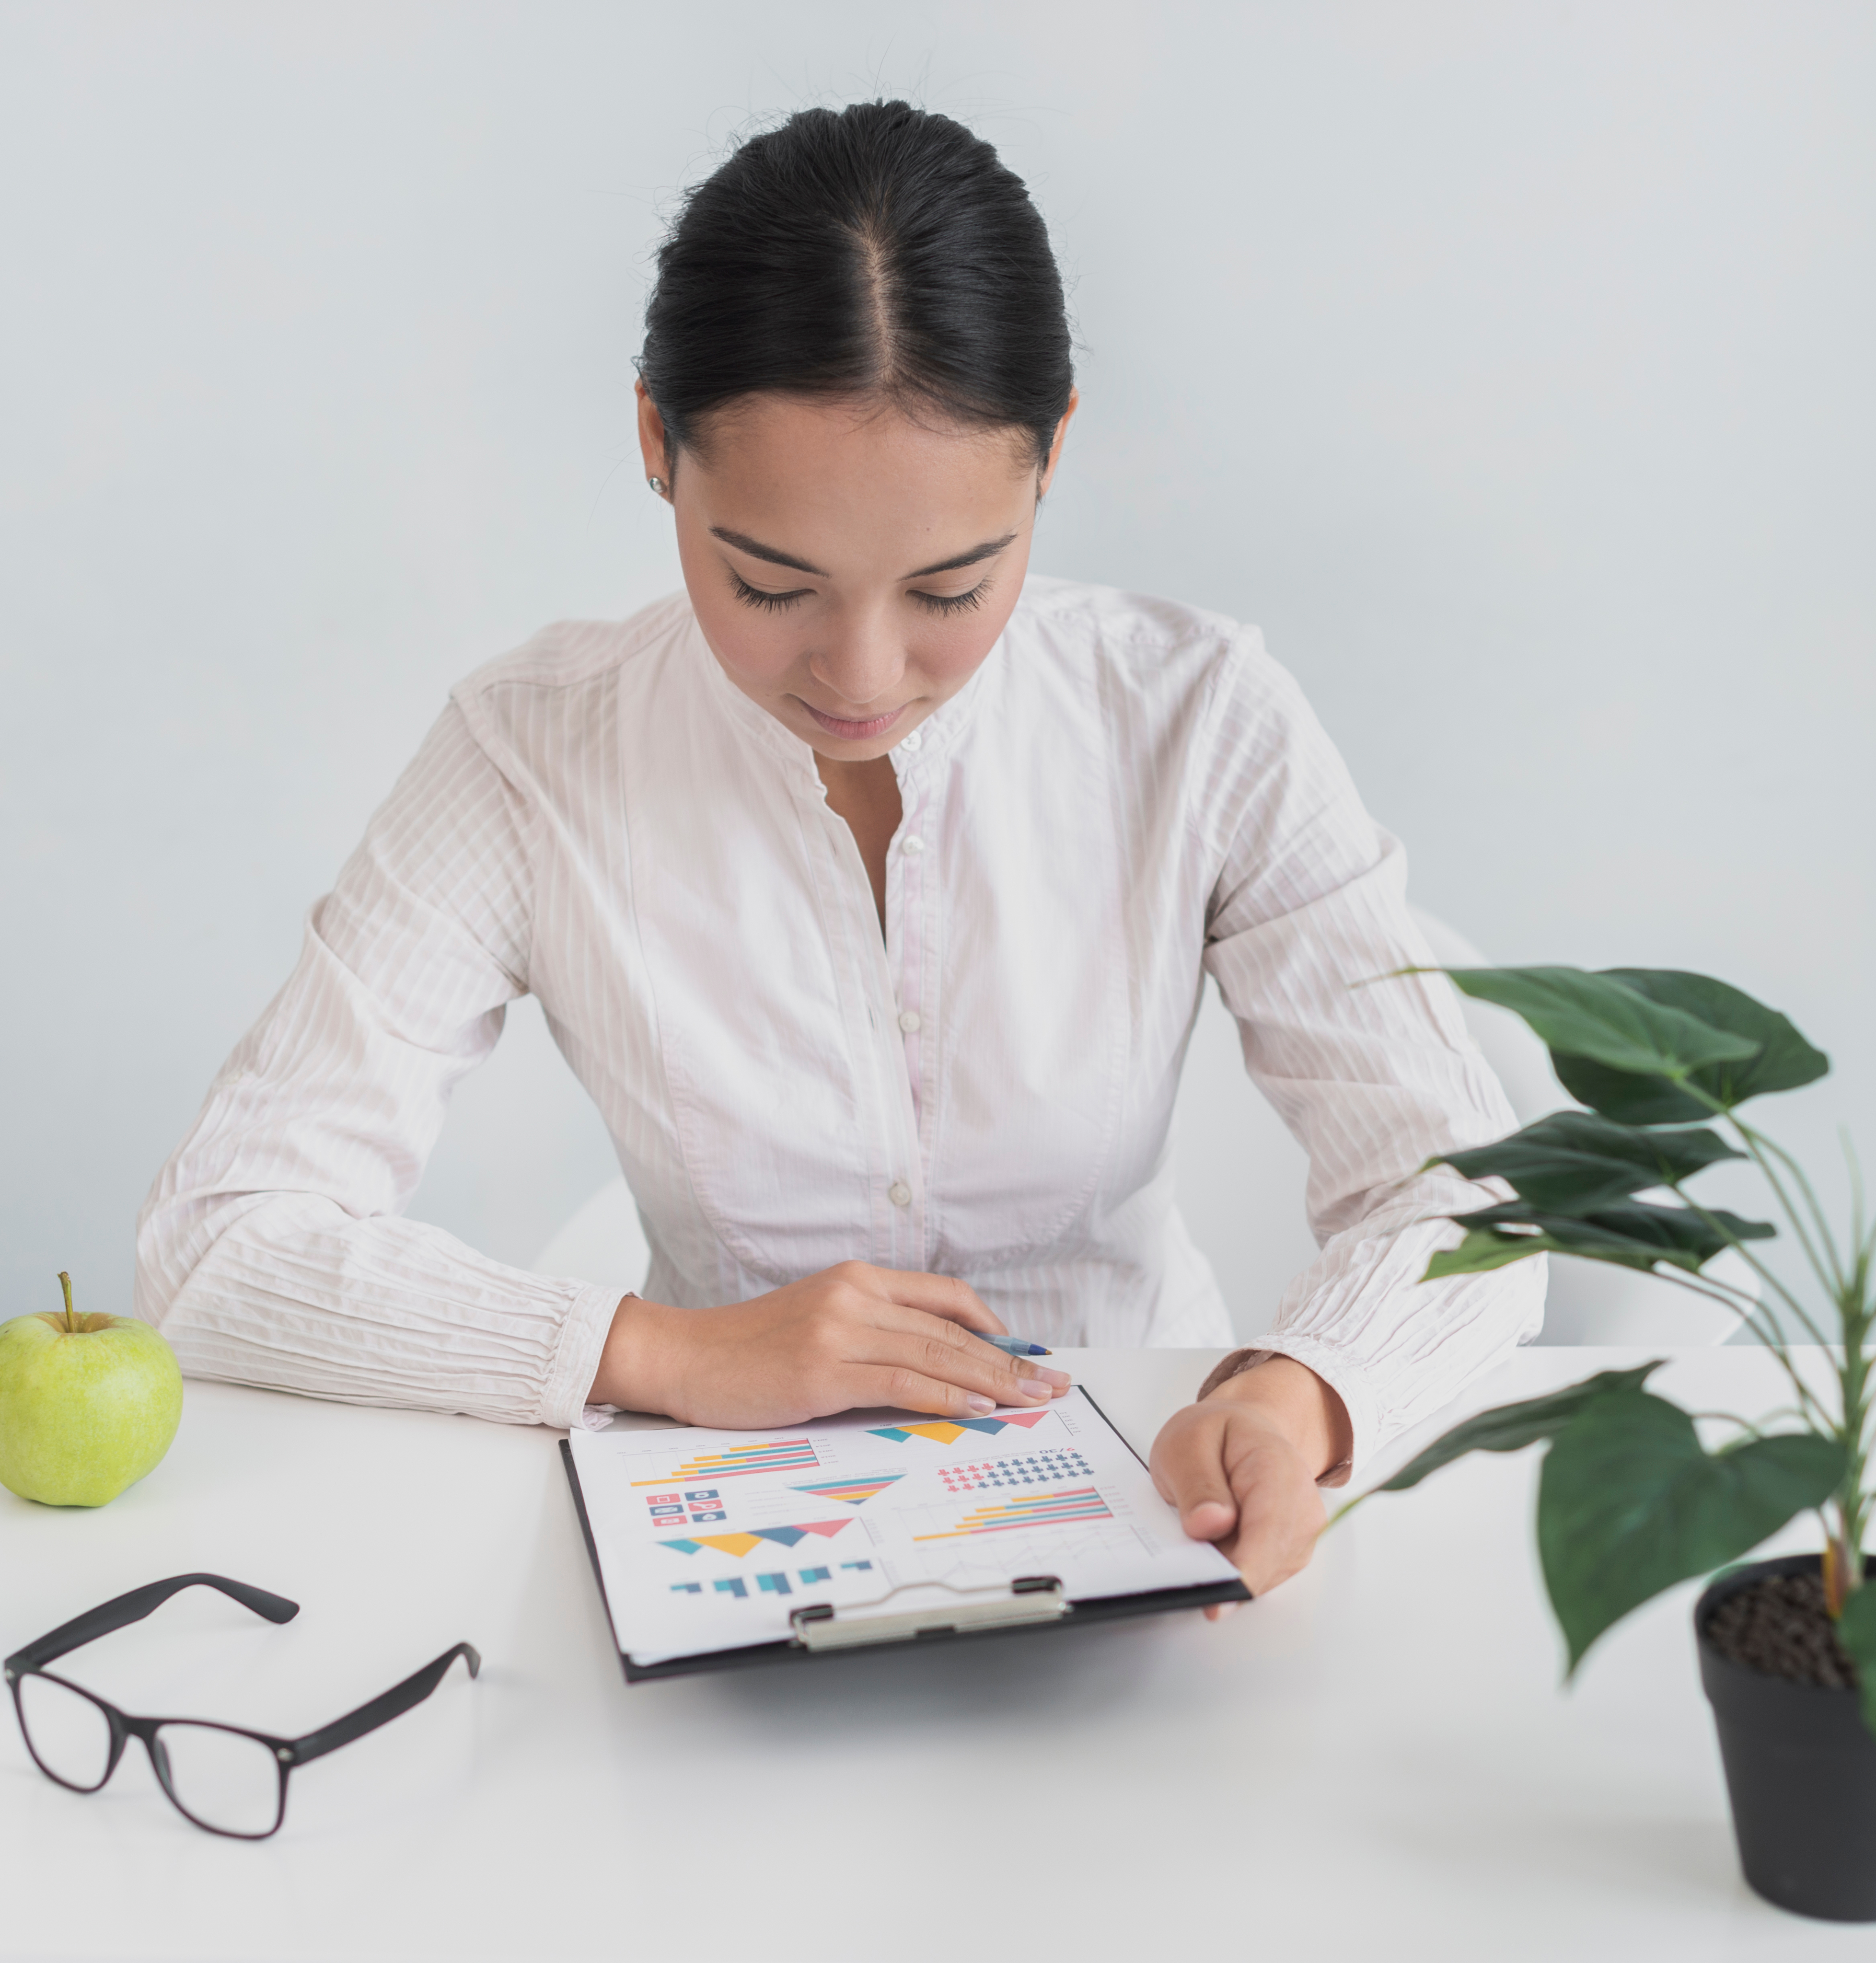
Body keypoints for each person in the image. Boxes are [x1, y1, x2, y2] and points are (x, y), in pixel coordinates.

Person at [137, 101, 1543, 1602]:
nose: (863, 674)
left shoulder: (1198, 718)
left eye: (952, 587)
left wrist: (1290, 1395)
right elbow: (222, 1239)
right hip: (719, 1530)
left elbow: (1464, 1203)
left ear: (1053, 451)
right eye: (768, 582)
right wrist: (665, 1353)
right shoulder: (529, 752)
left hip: (1156, 1484)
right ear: (653, 448)